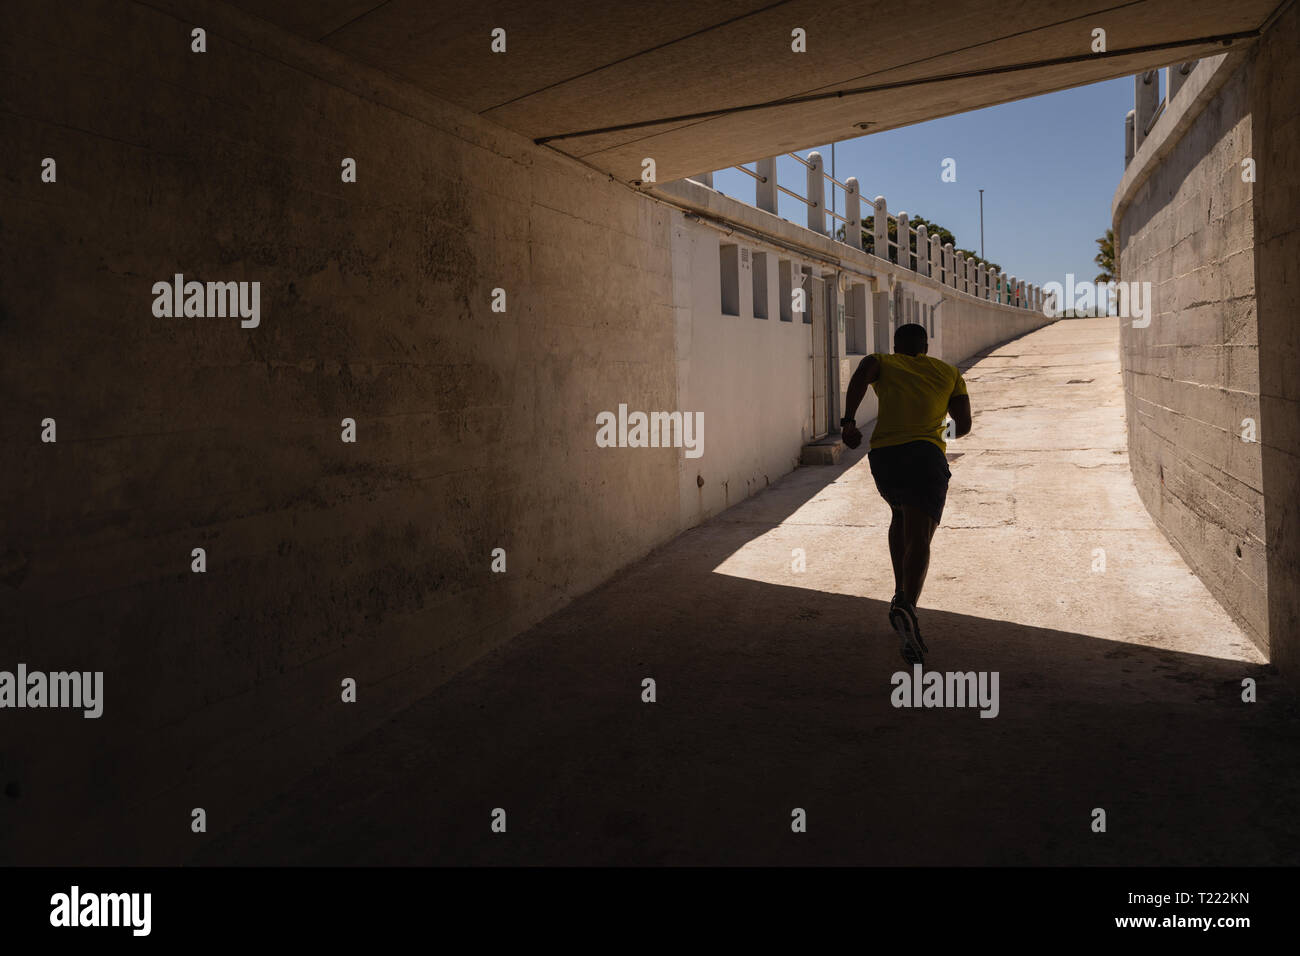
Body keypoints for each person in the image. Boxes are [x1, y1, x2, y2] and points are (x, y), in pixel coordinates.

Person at [839, 323, 971, 664]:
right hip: (925, 455)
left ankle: (899, 593)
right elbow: (964, 426)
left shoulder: (883, 361)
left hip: (885, 457)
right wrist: (933, 423)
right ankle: (909, 608)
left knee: (899, 513)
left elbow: (862, 374)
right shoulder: (949, 373)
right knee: (921, 535)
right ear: (925, 347)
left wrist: (848, 421)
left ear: (897, 346)